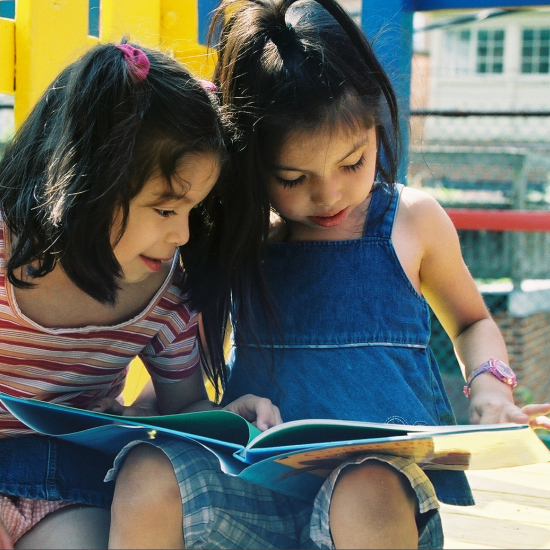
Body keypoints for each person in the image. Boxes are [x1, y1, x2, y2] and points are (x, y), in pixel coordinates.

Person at [104, 1, 550, 548]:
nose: (329, 194)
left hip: (378, 504)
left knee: (366, 485)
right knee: (147, 470)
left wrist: (489, 388)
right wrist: (135, 411)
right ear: (250, 161)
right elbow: (182, 368)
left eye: (352, 161)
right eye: (293, 177)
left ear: (375, 126)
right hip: (255, 492)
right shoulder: (244, 238)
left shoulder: (410, 223)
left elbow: (471, 321)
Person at [0, 40, 281, 549]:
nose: (184, 235)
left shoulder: (165, 296)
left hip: (66, 490)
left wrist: (222, 416)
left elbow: (183, 402)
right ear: (94, 182)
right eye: (166, 209)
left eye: (193, 212)